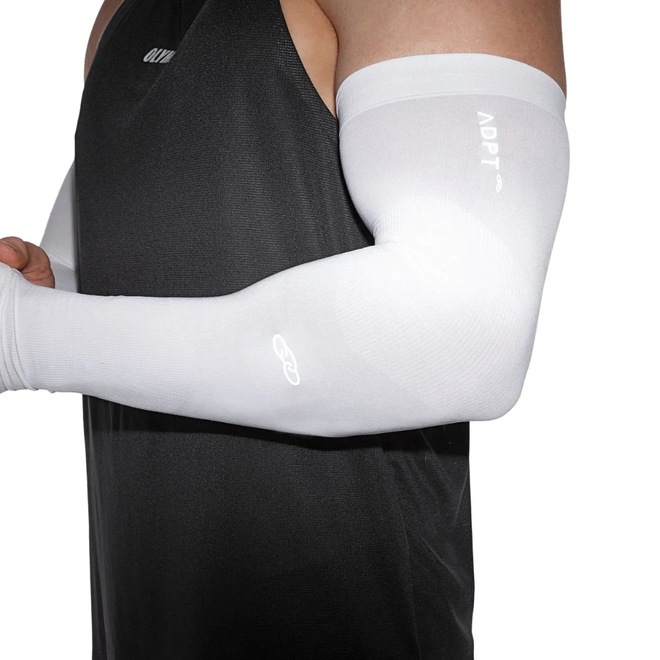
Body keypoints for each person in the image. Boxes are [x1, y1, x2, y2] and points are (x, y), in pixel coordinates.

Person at [0, 0, 569, 657]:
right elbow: (127, 263)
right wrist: (51, 285)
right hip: (146, 619)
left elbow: (467, 329)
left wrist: (24, 337)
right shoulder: (119, 13)